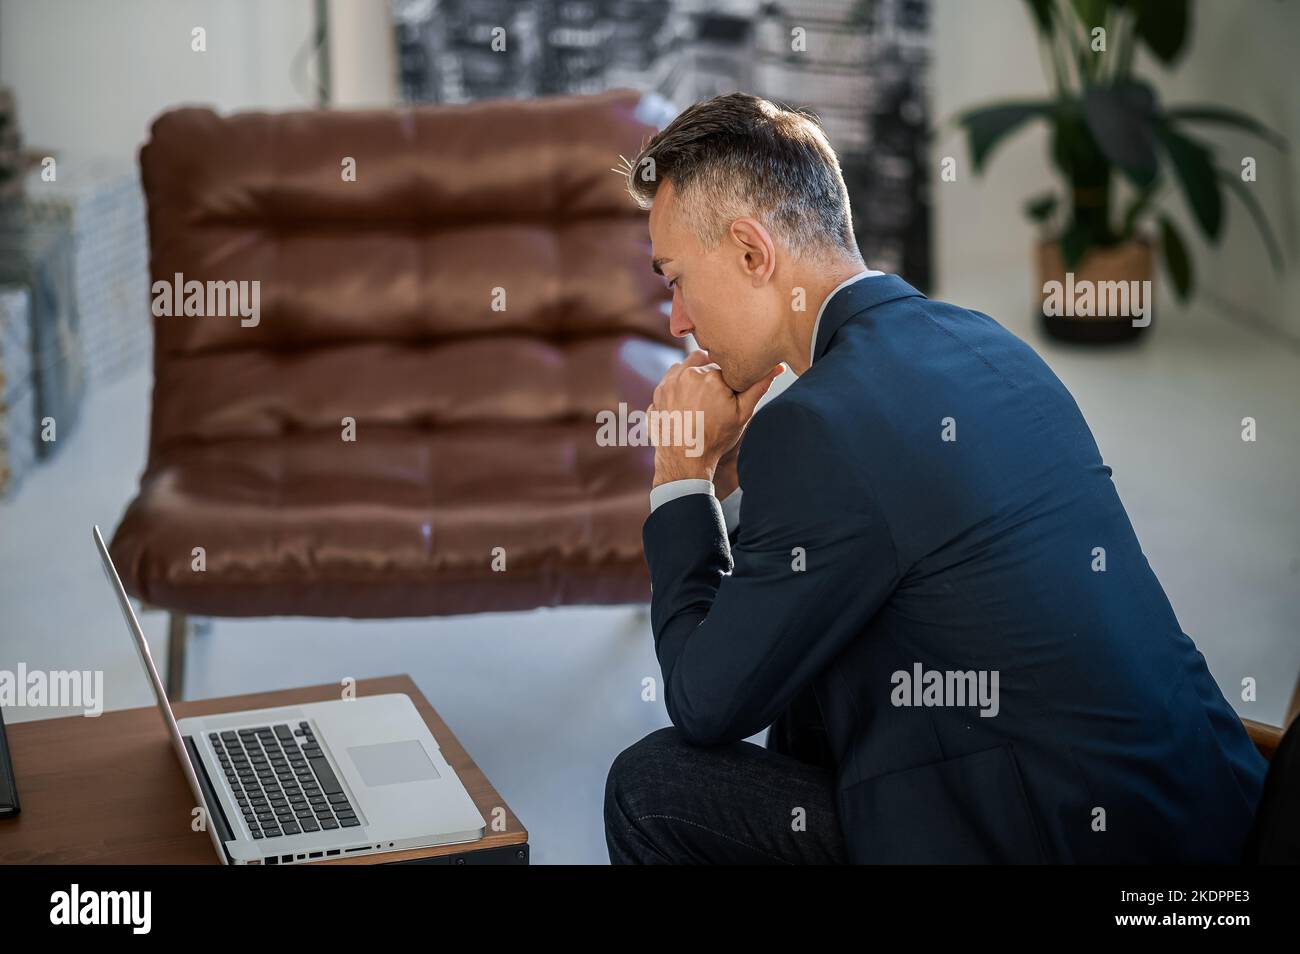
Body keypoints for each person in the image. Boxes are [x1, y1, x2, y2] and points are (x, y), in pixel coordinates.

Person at [603, 92, 1266, 864]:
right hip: (1209, 814)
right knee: (820, 690)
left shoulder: (818, 424)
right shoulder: (986, 344)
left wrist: (680, 475)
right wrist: (726, 477)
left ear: (753, 254)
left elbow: (703, 704)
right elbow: (807, 589)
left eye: (676, 279)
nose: (675, 321)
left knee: (651, 788)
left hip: (1057, 844)